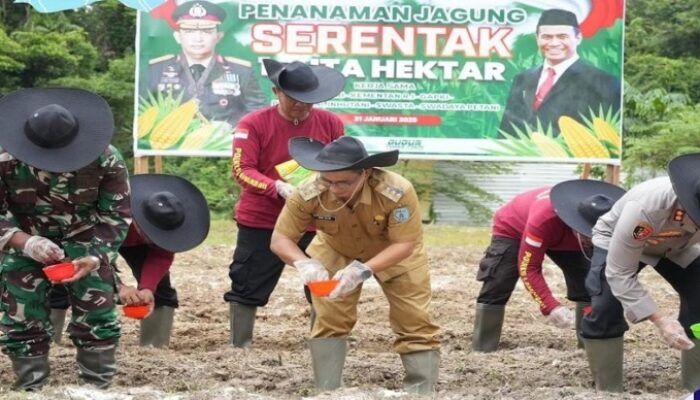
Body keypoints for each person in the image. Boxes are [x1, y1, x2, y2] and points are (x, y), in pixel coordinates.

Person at [270, 136, 440, 395]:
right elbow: (280, 239)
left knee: (414, 319)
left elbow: (404, 244)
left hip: (394, 253)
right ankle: (328, 389)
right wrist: (304, 263)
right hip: (335, 249)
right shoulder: (308, 192)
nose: (335, 189)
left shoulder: (396, 191)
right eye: (328, 181)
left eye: (344, 182)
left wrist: (362, 270)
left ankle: (421, 390)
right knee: (330, 318)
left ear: (366, 173)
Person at [0, 88, 131, 390]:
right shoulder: (5, 158)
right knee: (21, 316)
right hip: (24, 236)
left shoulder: (106, 159)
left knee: (97, 314)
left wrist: (97, 256)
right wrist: (25, 243)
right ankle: (31, 388)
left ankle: (96, 388)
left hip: (85, 239)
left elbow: (116, 215)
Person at [225, 58, 346, 348]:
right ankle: (240, 345)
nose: (302, 107)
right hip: (264, 219)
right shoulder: (253, 124)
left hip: (316, 219)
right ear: (276, 91)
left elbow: (343, 165)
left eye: (309, 102)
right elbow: (242, 170)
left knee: (323, 277)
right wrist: (276, 187)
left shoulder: (331, 123)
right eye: (294, 100)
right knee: (247, 280)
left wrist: (329, 185)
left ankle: (323, 340)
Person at [581, 154, 700, 392]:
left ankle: (695, 385)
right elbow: (620, 270)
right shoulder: (648, 210)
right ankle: (608, 389)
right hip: (618, 240)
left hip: (677, 246)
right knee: (605, 305)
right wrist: (660, 318)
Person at [49, 174, 210, 349]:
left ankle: (154, 347)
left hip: (131, 239)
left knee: (161, 288)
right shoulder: (104, 209)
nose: (156, 240)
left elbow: (162, 254)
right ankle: (51, 341)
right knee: (62, 280)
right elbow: (86, 254)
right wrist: (119, 286)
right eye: (151, 235)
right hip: (93, 238)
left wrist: (148, 287)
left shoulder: (165, 219)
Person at [472, 180, 625, 352]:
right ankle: (482, 348)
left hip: (566, 238)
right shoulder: (544, 219)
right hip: (515, 227)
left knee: (590, 282)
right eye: (587, 235)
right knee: (499, 281)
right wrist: (550, 306)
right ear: (576, 223)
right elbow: (529, 268)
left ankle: (589, 345)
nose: (592, 241)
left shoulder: (615, 219)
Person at [499, 9, 621, 136]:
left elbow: (610, 132)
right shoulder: (522, 78)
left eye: (562, 37)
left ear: (578, 38)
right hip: (524, 153)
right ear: (537, 39)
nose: (554, 43)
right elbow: (507, 129)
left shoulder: (604, 81)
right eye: (547, 37)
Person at [145, 0, 266, 127]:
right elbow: (144, 110)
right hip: (170, 144)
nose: (198, 39)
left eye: (206, 31)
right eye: (189, 31)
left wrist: (231, 127)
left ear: (219, 36)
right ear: (177, 37)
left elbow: (258, 112)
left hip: (225, 144)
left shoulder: (241, 72)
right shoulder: (157, 70)